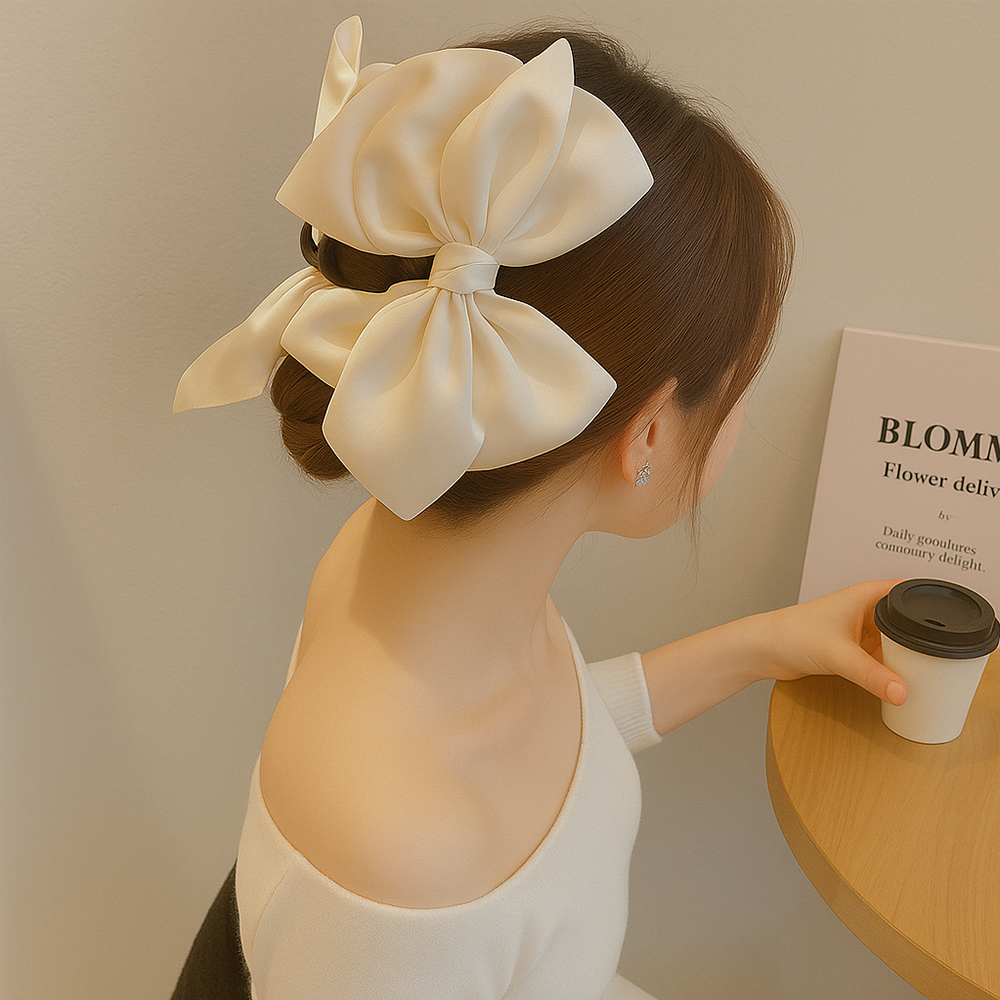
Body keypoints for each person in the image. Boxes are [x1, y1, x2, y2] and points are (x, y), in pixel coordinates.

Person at [170, 16, 908, 1000]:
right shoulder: (394, 871)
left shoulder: (409, 572)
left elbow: (542, 738)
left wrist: (764, 645)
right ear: (650, 433)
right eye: (736, 390)